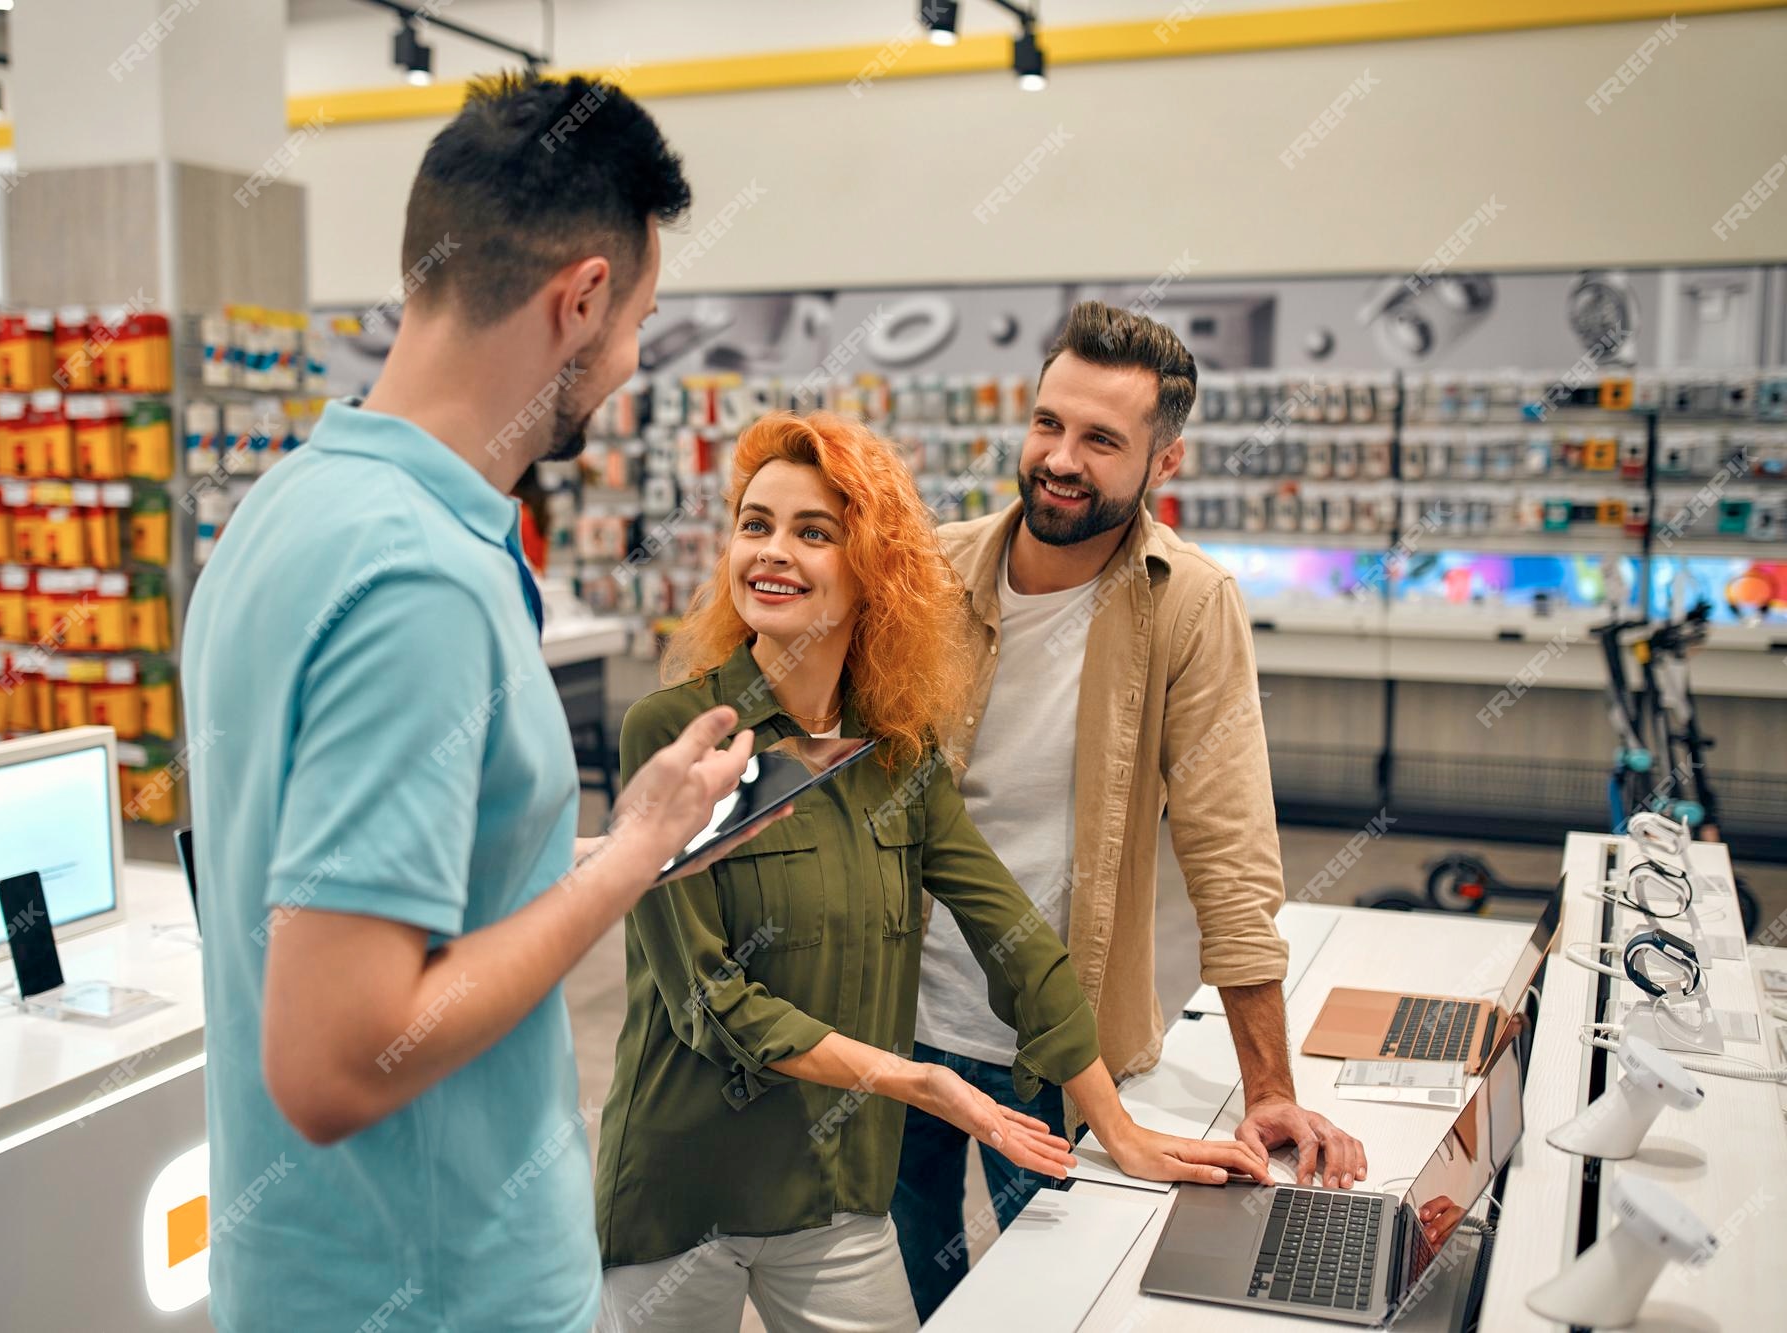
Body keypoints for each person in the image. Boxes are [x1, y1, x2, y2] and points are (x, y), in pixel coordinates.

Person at [181, 73, 773, 1332]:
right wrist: (628, 860)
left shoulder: (292, 508)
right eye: (637, 324)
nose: (624, 367)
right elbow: (339, 1056)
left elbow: (379, 893)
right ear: (582, 299)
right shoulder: (418, 582)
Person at [594, 410, 1267, 1332]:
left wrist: (1117, 1126)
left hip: (834, 1188)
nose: (771, 553)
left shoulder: (896, 759)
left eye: (812, 531)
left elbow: (1018, 936)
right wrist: (921, 1082)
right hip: (684, 1192)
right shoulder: (678, 734)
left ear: (872, 563)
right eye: (755, 524)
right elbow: (709, 1000)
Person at [893, 300, 1369, 1318]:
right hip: (892, 1025)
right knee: (912, 1298)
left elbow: (1227, 852)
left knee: (1055, 1302)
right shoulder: (927, 574)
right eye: (1046, 423)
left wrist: (1269, 1086)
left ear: (1163, 462)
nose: (1059, 458)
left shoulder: (1188, 604)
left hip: (1063, 1058)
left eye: (1100, 439)